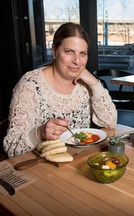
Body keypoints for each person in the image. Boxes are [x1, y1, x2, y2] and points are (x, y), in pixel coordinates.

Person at [4, 22, 117, 158]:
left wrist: (94, 82)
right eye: (69, 51)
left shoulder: (85, 86)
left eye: (82, 54)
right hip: (41, 168)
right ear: (54, 52)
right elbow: (11, 149)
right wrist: (39, 133)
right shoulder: (30, 85)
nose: (77, 61)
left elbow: (109, 123)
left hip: (77, 161)